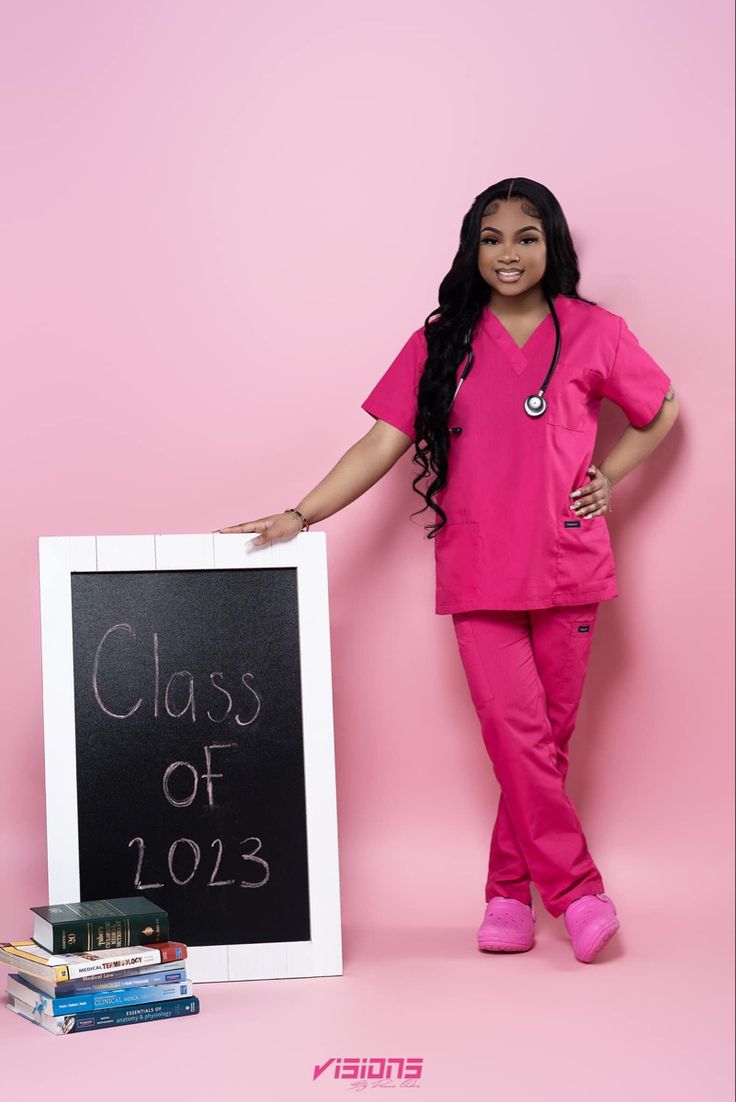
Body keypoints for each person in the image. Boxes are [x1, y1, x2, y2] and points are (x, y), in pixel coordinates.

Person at [216, 177, 679, 964]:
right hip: (481, 570)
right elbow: (378, 443)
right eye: (491, 237)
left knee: (546, 742)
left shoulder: (593, 331)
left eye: (526, 237)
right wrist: (301, 514)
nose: (508, 253)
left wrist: (614, 473)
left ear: (551, 245)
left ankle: (506, 894)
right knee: (514, 732)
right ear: (471, 248)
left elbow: (661, 407)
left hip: (570, 565)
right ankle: (576, 894)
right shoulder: (443, 341)